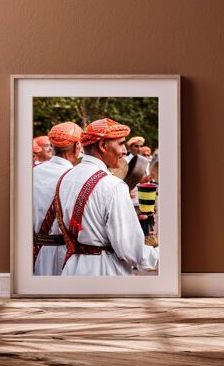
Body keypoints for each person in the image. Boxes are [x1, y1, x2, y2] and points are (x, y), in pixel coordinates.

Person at [55, 118, 159, 276]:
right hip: (104, 271)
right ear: (103, 145)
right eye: (121, 144)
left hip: (71, 269)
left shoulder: (65, 178)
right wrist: (161, 255)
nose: (124, 151)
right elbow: (131, 250)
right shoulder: (113, 185)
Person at [33, 122, 82, 275]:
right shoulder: (78, 178)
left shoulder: (33, 172)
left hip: (34, 250)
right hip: (65, 253)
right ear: (77, 147)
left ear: (53, 147)